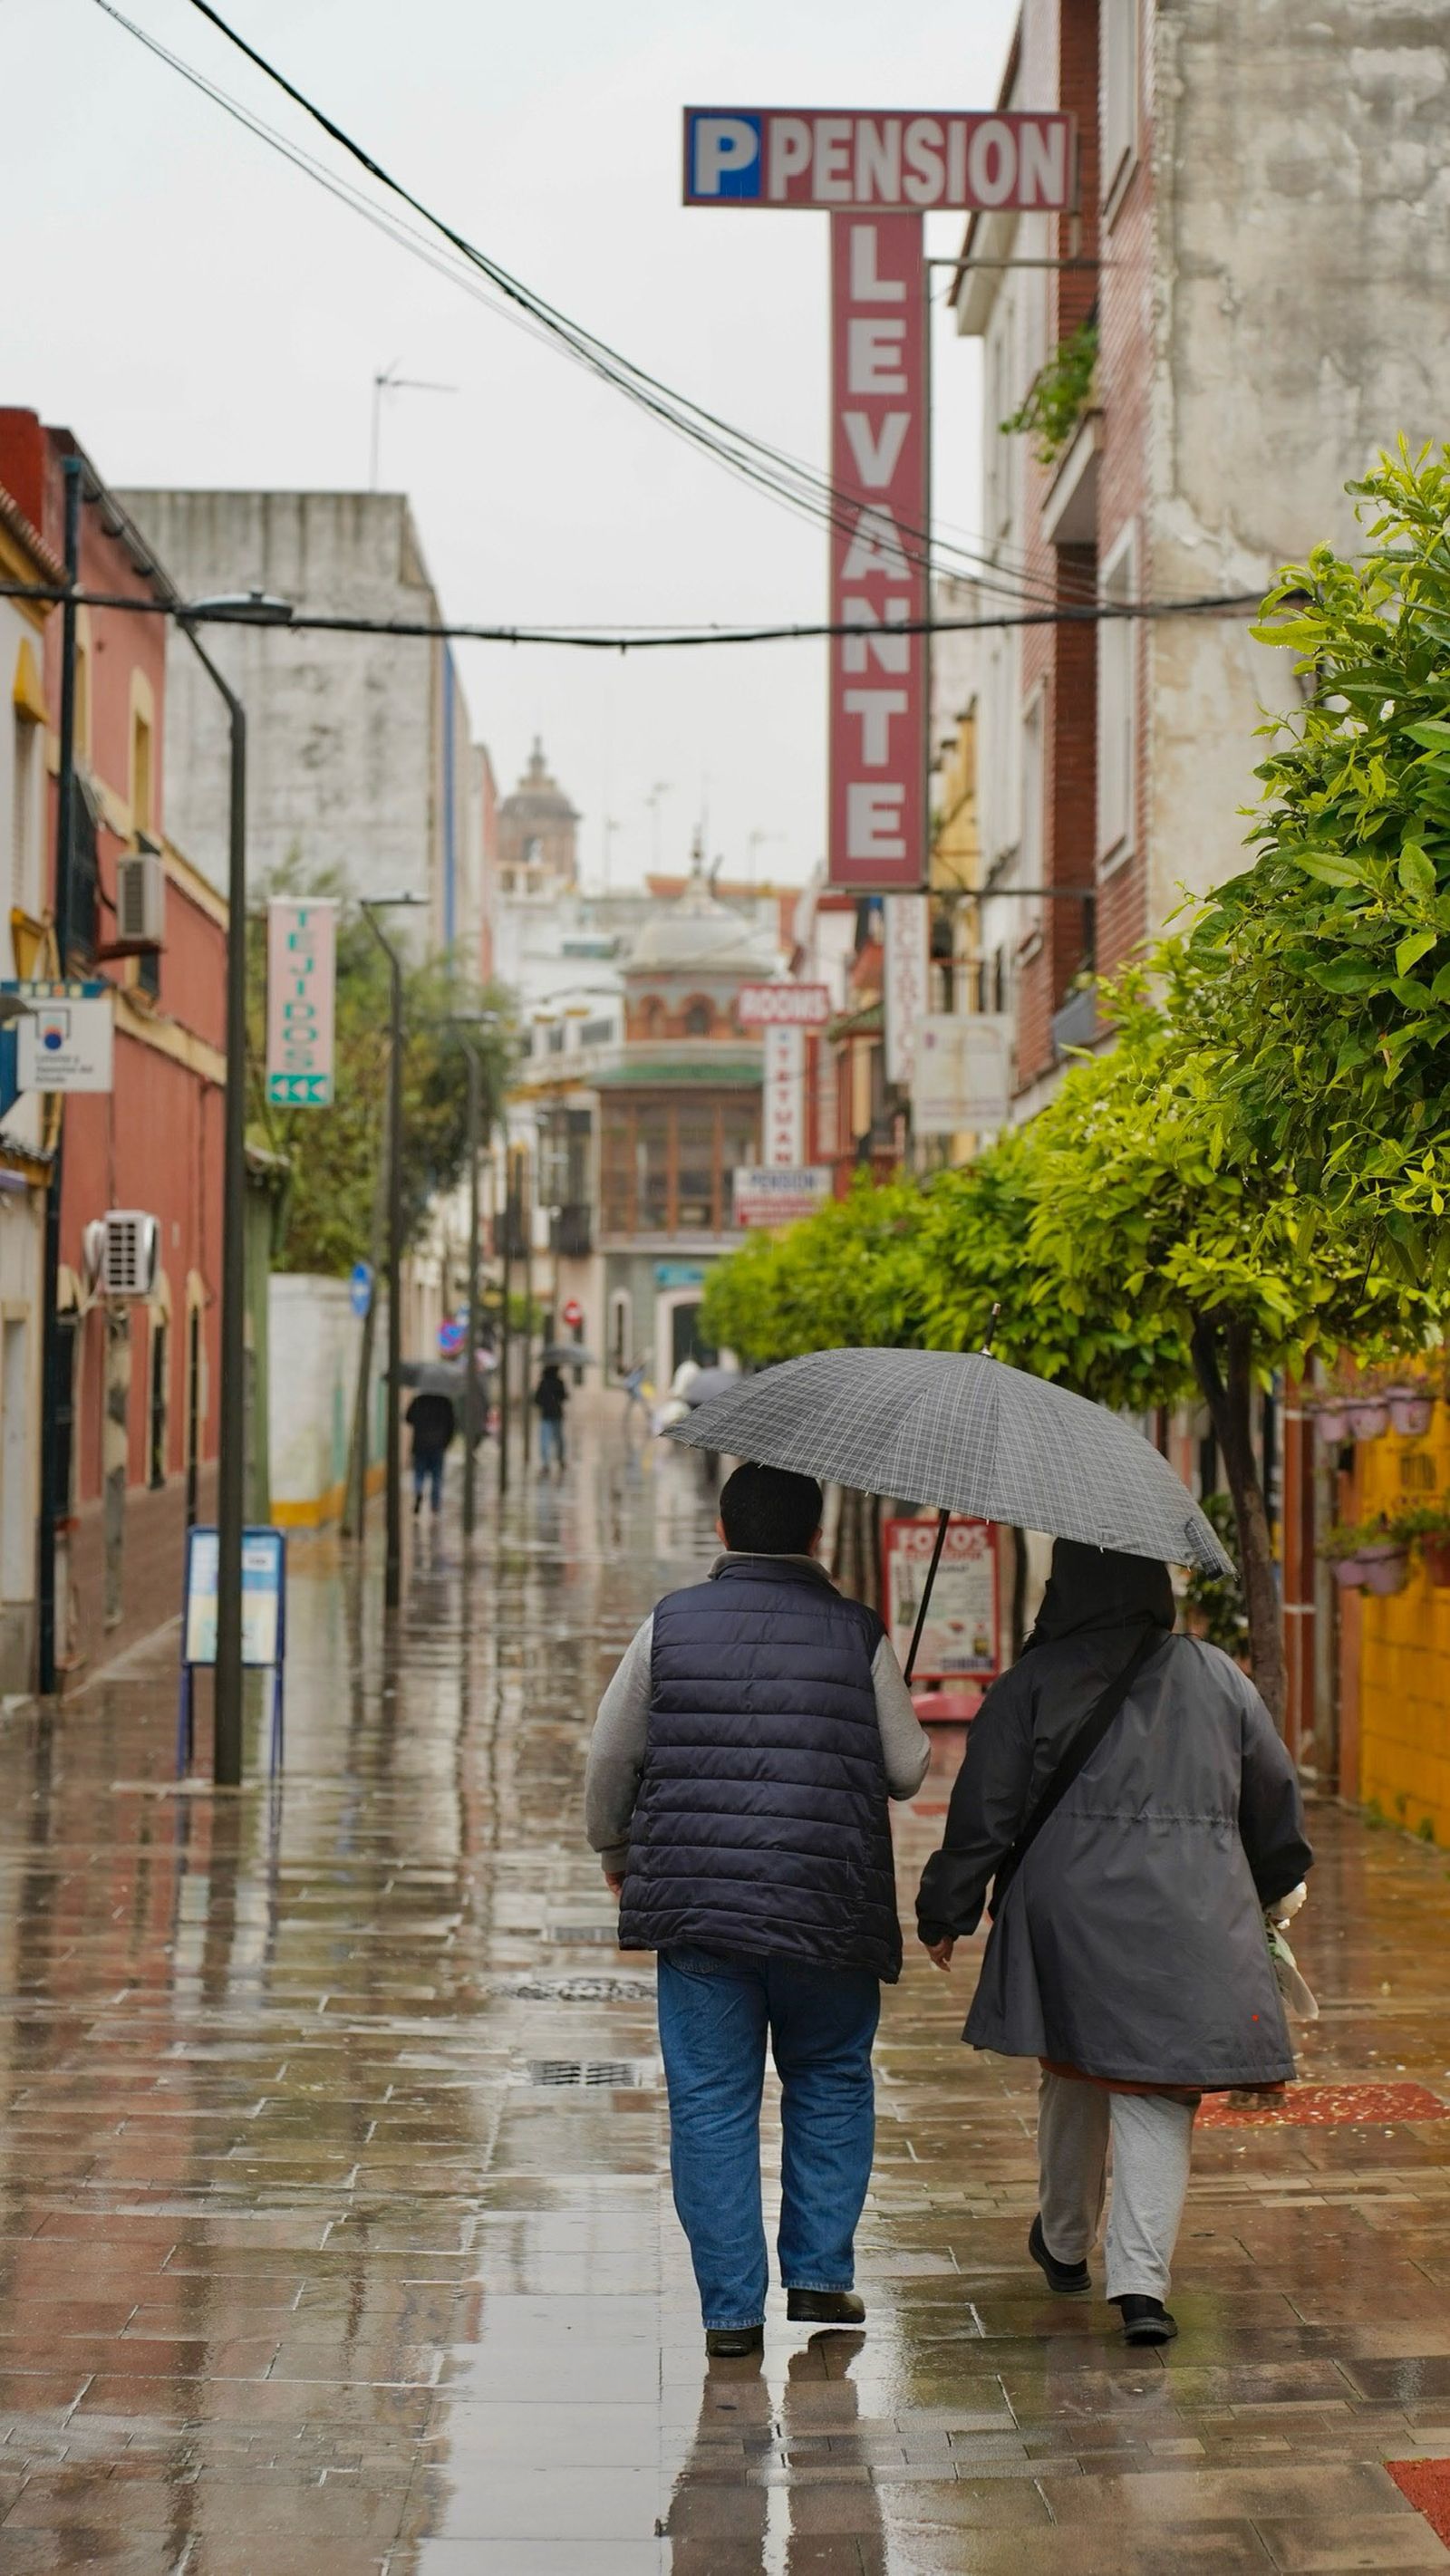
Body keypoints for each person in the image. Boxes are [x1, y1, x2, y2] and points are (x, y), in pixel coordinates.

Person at [916, 1539, 1312, 2348]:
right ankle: (1140, 2288)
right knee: (1158, 2088)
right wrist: (1275, 1884)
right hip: (1193, 1914)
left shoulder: (1032, 1680)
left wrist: (945, 1907)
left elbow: (984, 1806)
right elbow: (1271, 1794)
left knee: (1074, 2063)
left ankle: (1064, 2244)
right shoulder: (1218, 1675)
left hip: (1069, 1911)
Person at [585, 1462, 930, 2359]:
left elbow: (610, 1757)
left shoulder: (670, 1622)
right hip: (828, 1904)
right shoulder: (858, 1632)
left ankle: (730, 2312)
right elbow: (904, 1768)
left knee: (709, 2097)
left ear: (725, 1529)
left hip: (699, 1906)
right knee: (829, 2073)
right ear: (815, 1536)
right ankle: (818, 2269)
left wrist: (616, 1853)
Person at [404, 1387, 456, 1517]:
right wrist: (446, 1442)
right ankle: (435, 1507)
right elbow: (452, 1424)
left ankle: (418, 1491)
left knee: (419, 1473)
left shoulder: (418, 1400)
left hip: (420, 1444)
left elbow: (408, 1418)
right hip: (438, 1445)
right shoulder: (445, 1402)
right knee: (437, 1477)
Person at [533, 1362, 568, 1473]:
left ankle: (546, 1463)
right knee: (559, 1439)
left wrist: (545, 1402)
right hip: (556, 1414)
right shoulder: (559, 1382)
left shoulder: (543, 1383)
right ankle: (560, 1459)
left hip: (546, 1415)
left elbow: (536, 1399)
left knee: (545, 1440)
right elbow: (564, 1396)